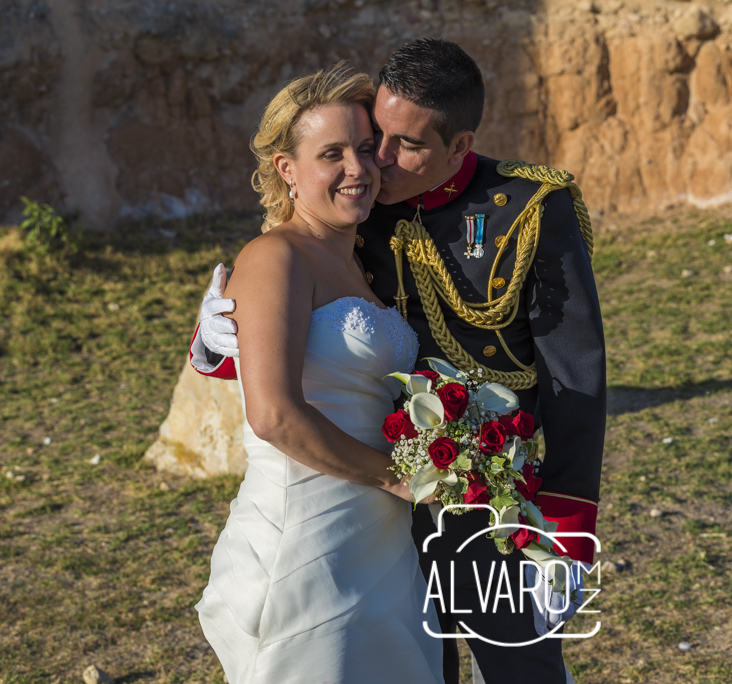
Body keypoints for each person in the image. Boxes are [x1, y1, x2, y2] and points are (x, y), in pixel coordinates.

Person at [192, 39, 606, 684]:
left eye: (402, 144)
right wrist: (216, 343)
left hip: (487, 493)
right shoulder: (357, 209)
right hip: (376, 493)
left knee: (520, 669)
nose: (375, 162)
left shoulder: (526, 208)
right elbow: (294, 351)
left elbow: (574, 375)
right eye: (370, 138)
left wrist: (567, 523)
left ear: (459, 146)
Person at [193, 61, 443, 684]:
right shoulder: (275, 256)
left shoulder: (365, 258)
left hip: (380, 541)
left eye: (365, 147)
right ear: (287, 169)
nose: (358, 168)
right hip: (309, 536)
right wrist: (398, 479)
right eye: (332, 154)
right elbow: (274, 414)